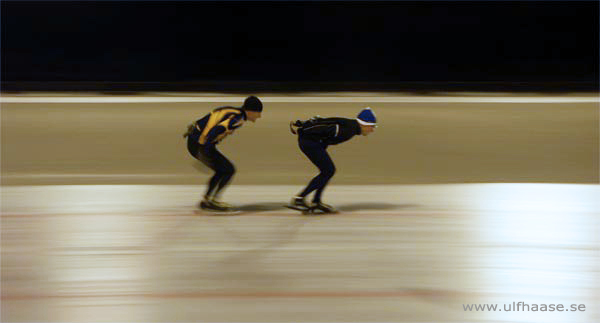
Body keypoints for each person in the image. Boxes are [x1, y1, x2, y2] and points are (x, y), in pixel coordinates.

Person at [288, 107, 377, 213]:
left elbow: (327, 121)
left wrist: (306, 125)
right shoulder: (348, 130)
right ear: (365, 123)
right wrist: (303, 129)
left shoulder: (351, 125)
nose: (372, 130)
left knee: (327, 172)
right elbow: (323, 128)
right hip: (309, 142)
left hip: (314, 142)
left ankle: (316, 201)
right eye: (372, 126)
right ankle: (299, 199)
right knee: (328, 171)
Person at [184, 96, 263, 211]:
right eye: (258, 112)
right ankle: (211, 201)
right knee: (228, 170)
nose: (259, 116)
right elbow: (216, 130)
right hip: (200, 144)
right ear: (250, 111)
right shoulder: (237, 118)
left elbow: (210, 120)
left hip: (196, 141)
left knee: (222, 170)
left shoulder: (234, 112)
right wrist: (204, 150)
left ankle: (208, 200)